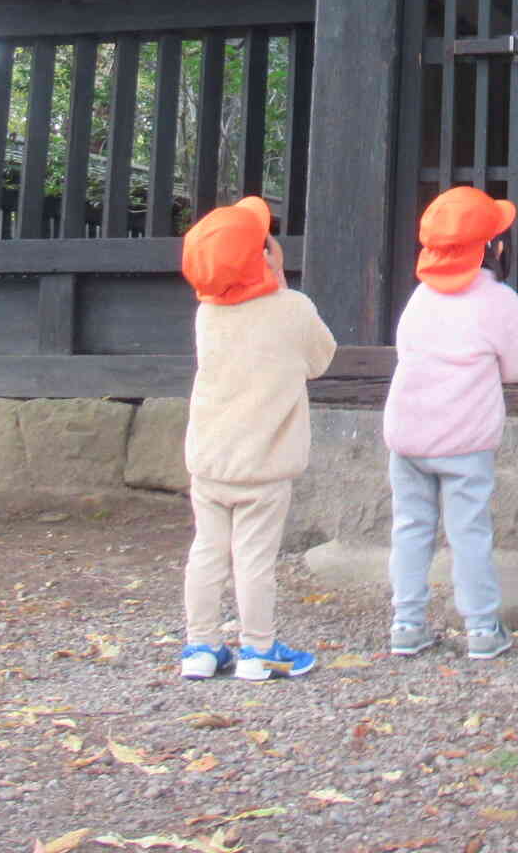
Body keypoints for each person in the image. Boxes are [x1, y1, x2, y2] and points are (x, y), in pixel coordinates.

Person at [178, 195, 336, 682]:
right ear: (264, 256)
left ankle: (201, 647)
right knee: (253, 560)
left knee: (207, 550)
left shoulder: (208, 316)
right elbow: (320, 359)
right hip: (264, 464)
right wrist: (282, 284)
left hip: (210, 458)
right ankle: (258, 649)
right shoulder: (292, 309)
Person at [383, 186, 518, 660]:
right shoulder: (498, 301)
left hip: (407, 436)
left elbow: (406, 351)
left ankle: (406, 623)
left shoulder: (419, 300)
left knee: (410, 527)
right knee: (468, 531)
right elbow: (517, 369)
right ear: (492, 249)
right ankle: (482, 628)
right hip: (465, 441)